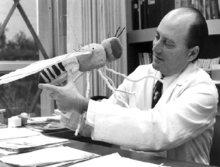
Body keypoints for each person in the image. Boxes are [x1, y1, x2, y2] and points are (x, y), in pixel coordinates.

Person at [38, 7, 218, 165]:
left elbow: (158, 131)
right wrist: (68, 104)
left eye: (168, 43)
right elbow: (101, 118)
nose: (155, 48)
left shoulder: (203, 90)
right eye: (157, 37)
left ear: (192, 53)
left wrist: (82, 105)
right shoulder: (141, 74)